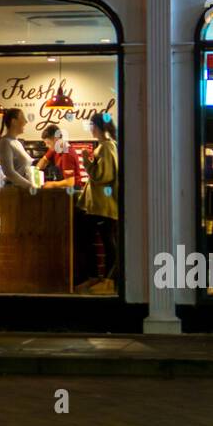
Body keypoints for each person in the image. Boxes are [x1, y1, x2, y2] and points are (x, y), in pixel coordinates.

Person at [75, 112, 119, 294]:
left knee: (105, 242)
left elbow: (102, 175)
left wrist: (86, 160)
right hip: (101, 205)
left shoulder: (106, 147)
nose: (90, 129)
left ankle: (107, 281)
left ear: (99, 127)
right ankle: (99, 278)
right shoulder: (108, 146)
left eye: (91, 125)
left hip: (103, 206)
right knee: (95, 241)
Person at [0, 108, 36, 190]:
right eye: (23, 118)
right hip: (13, 192)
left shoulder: (17, 142)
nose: (26, 121)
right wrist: (30, 186)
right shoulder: (5, 142)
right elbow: (9, 172)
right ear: (14, 121)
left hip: (22, 191)